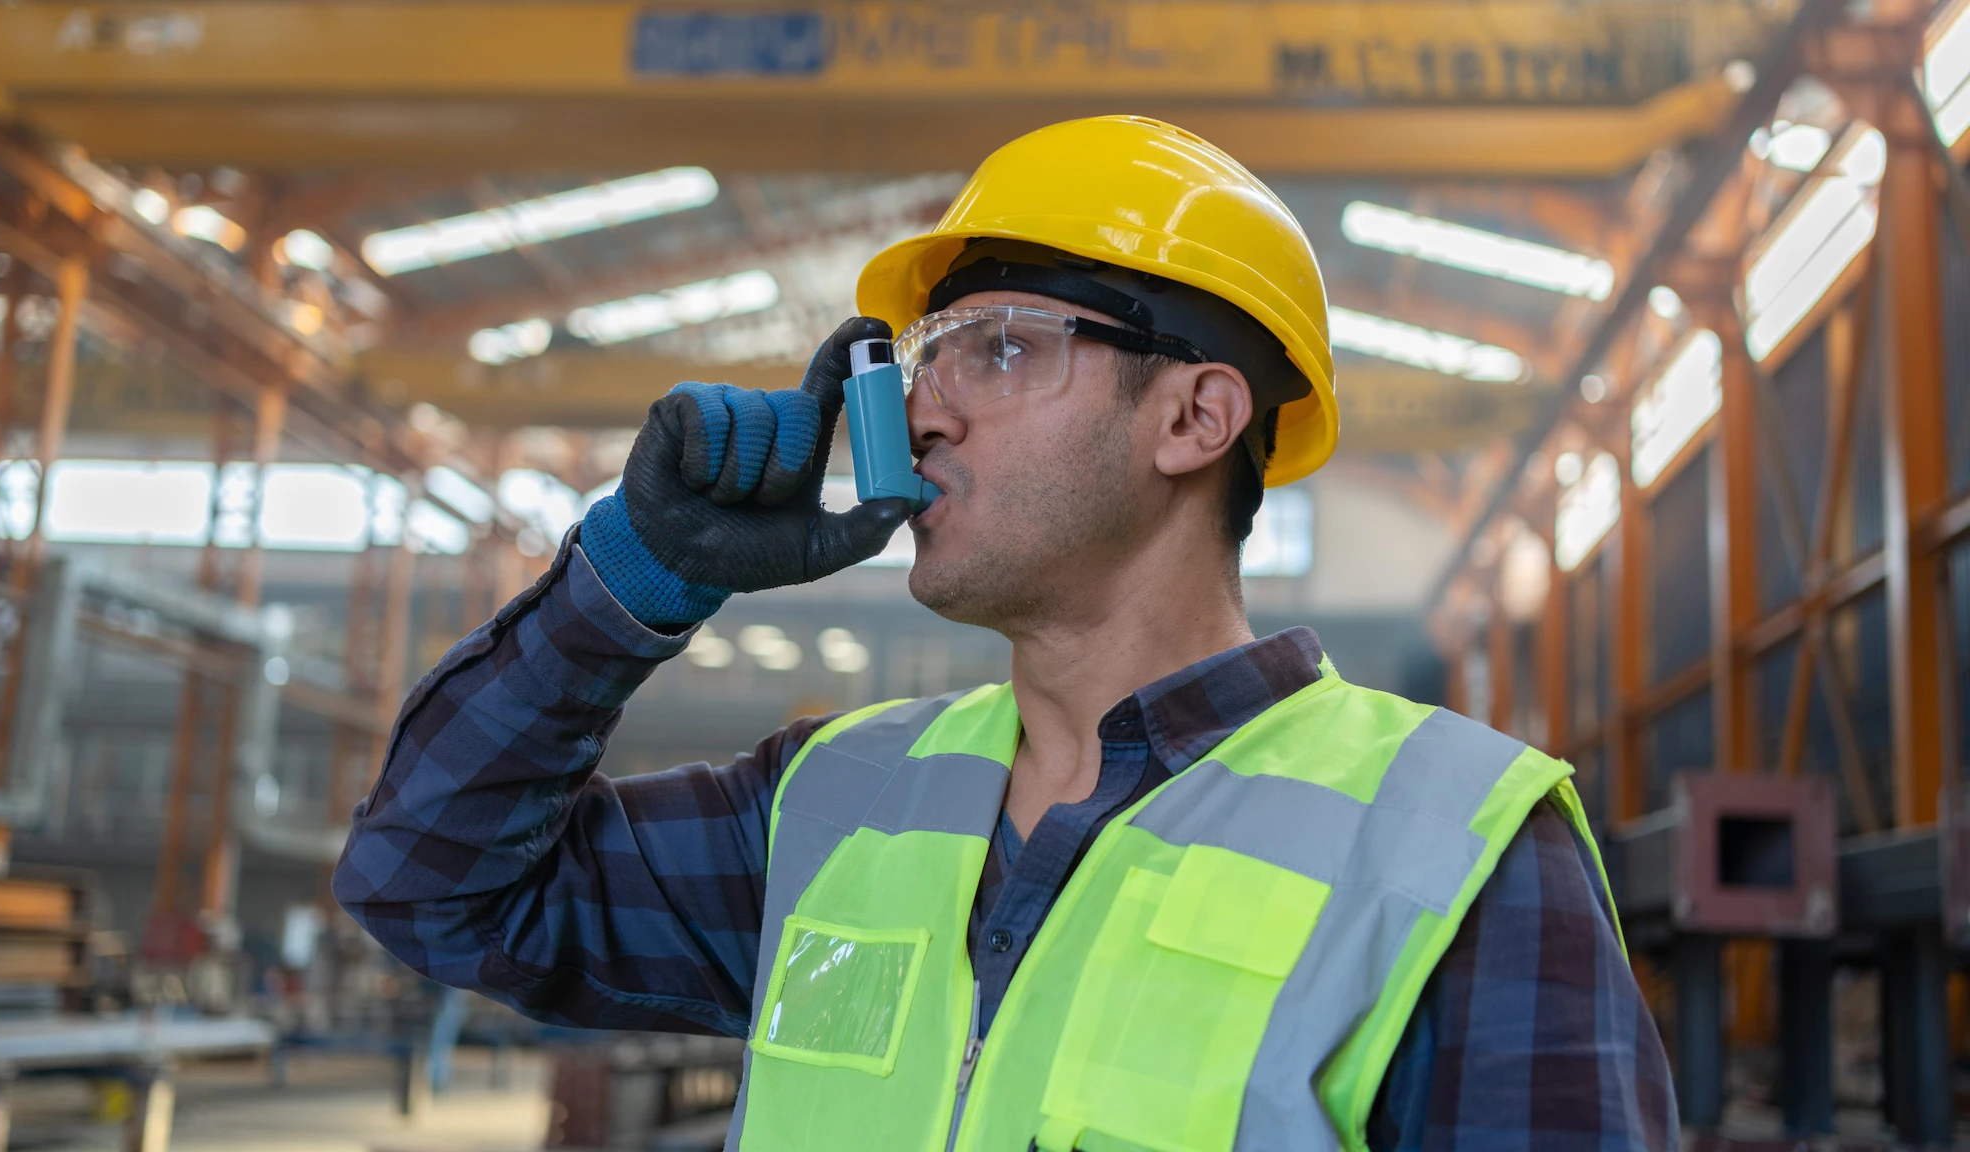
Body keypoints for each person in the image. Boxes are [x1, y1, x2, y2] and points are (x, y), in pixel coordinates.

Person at [335, 116, 1678, 1151]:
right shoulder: (834, 806)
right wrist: (628, 580)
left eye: (1004, 350)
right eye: (927, 357)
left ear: (1194, 420)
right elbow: (428, 881)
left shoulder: (1451, 854)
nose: (922, 414)